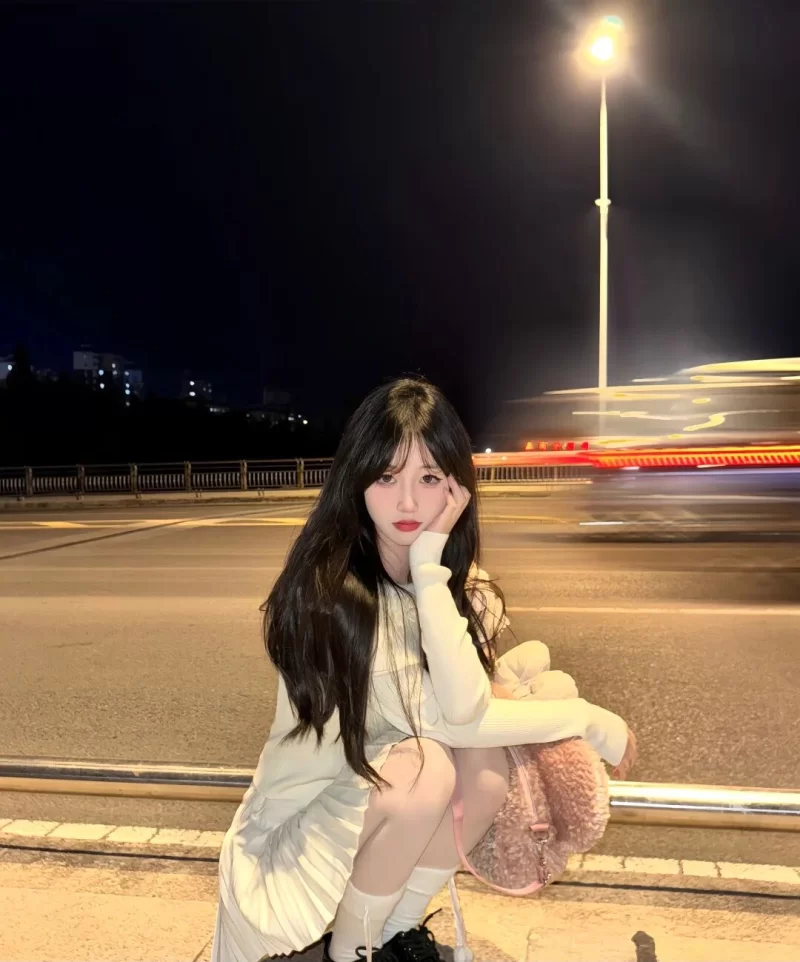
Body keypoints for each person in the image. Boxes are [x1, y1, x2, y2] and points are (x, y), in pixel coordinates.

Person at [212, 377, 637, 962]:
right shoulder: (334, 594)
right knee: (426, 768)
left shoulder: (452, 587)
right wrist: (585, 719)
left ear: (457, 488)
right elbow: (458, 719)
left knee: (485, 773)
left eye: (430, 478)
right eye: (387, 477)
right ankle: (352, 951)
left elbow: (468, 705)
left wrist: (430, 571)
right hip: (300, 831)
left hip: (375, 809)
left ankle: (394, 930)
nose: (408, 503)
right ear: (357, 480)